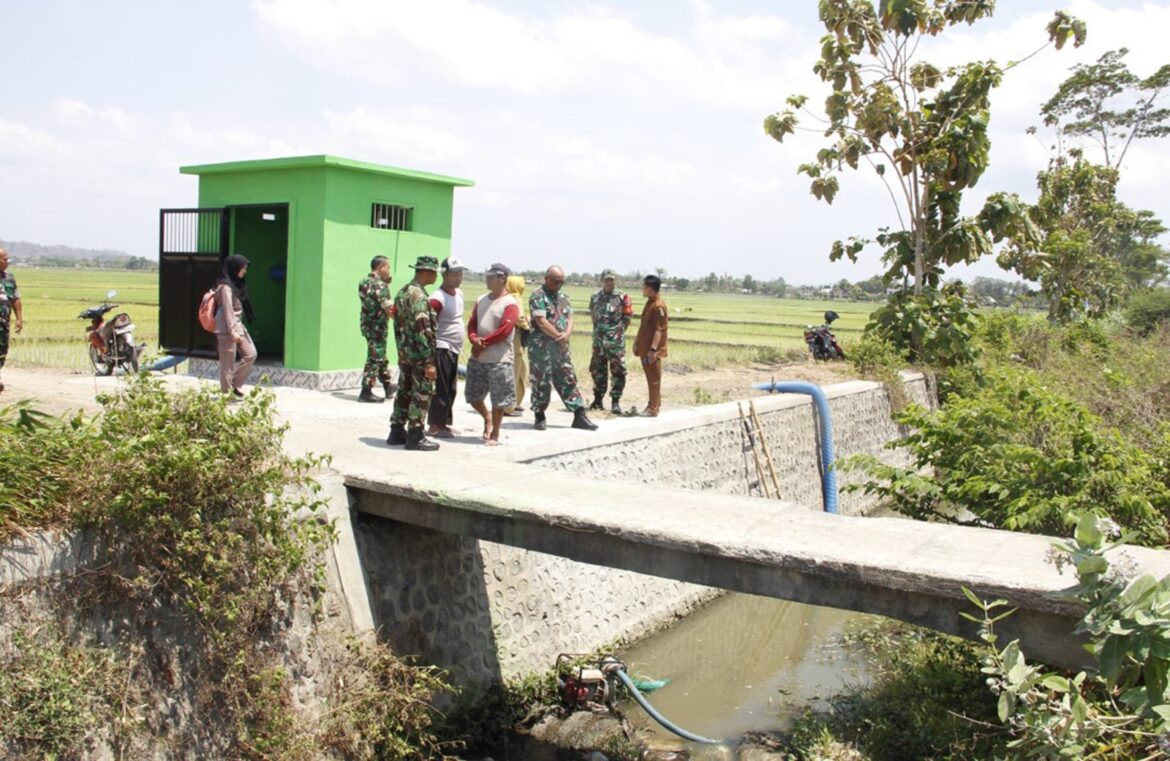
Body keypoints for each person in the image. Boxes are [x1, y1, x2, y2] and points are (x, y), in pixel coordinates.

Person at [528, 266, 597, 431]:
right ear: (547, 279)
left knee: (568, 379)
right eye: (556, 281)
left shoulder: (564, 297)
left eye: (562, 282)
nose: (559, 285)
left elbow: (570, 317)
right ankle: (539, 416)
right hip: (541, 349)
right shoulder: (538, 296)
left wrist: (566, 334)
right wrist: (558, 336)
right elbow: (541, 321)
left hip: (561, 348)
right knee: (541, 382)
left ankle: (579, 415)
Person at [388, 255, 440, 451]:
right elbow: (422, 329)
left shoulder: (402, 292)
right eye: (434, 272)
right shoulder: (419, 296)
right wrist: (429, 361)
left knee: (404, 390)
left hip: (405, 353)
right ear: (426, 271)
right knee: (422, 393)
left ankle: (396, 431)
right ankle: (415, 435)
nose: (436, 276)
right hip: (419, 355)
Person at [465, 263, 520, 446]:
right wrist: (474, 339)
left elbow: (505, 330)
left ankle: (495, 432)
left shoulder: (510, 303)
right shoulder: (482, 299)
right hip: (479, 356)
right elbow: (472, 323)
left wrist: (483, 343)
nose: (487, 279)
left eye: (491, 276)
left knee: (499, 399)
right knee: (473, 396)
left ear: (502, 278)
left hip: (499, 358)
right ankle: (486, 416)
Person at [426, 256, 468, 436]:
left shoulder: (459, 294)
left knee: (451, 388)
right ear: (445, 275)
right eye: (455, 274)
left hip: (454, 348)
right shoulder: (437, 298)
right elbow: (428, 323)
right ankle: (435, 425)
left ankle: (444, 422)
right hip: (442, 347)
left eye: (461, 273)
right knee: (440, 389)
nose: (459, 277)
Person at [588, 268, 633, 414]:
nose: (609, 282)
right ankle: (598, 400)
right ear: (602, 280)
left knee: (618, 372)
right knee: (598, 371)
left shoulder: (622, 297)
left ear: (615, 280)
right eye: (607, 279)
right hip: (598, 343)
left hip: (615, 343)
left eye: (612, 279)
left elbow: (627, 319)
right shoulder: (595, 297)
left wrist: (616, 334)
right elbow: (593, 317)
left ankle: (615, 401)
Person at [214, 254, 257, 399]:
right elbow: (227, 311)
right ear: (235, 268)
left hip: (237, 325)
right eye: (243, 268)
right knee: (228, 363)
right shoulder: (225, 287)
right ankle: (226, 394)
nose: (245, 271)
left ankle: (233, 385)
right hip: (227, 328)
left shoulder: (236, 285)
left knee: (251, 354)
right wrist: (233, 332)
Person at [357, 255, 394, 403]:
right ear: (380, 267)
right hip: (378, 326)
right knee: (375, 357)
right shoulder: (381, 286)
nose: (389, 271)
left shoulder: (363, 282)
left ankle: (388, 385)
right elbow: (389, 309)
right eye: (388, 267)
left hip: (367, 324)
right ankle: (366, 391)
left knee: (379, 355)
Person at [633, 274, 669, 417]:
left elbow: (659, 329)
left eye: (644, 287)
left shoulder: (658, 306)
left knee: (654, 379)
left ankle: (652, 408)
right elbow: (644, 326)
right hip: (644, 348)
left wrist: (653, 350)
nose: (642, 289)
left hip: (651, 351)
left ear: (649, 288)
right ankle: (655, 404)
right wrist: (637, 342)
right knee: (651, 377)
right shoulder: (650, 303)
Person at [502, 275, 529, 416]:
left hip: (513, 338)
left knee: (521, 371)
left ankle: (516, 402)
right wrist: (528, 327)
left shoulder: (508, 297)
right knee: (515, 371)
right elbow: (519, 318)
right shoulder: (516, 298)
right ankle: (508, 407)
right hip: (516, 338)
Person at [0, 247, 23, 394]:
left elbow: (16, 298)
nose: (7, 261)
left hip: (3, 324)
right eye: (4, 259)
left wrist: (19, 318)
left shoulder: (9, 277)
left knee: (2, 350)